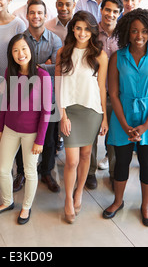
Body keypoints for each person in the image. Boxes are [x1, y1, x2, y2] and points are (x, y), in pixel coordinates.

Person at [103, 8, 148, 227]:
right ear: (126, 33)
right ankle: (118, 201)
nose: (139, 36)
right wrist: (125, 124)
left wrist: (145, 125)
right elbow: (113, 93)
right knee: (121, 162)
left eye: (143, 31)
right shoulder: (117, 57)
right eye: (134, 31)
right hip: (124, 114)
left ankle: (144, 206)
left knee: (147, 163)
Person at [0, 34, 52, 224]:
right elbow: (6, 103)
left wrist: (40, 140)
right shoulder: (10, 71)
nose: (20, 54)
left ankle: (26, 207)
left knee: (30, 170)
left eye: (24, 49)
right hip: (10, 129)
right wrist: (0, 128)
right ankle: (7, 202)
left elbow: (46, 111)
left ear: (31, 51)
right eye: (15, 50)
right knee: (3, 169)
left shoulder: (43, 75)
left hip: (32, 133)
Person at [55, 11, 108, 223]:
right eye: (78, 28)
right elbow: (58, 87)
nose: (82, 33)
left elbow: (101, 87)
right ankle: (68, 199)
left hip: (92, 111)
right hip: (70, 112)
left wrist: (104, 117)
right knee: (71, 160)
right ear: (72, 29)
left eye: (87, 29)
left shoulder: (99, 55)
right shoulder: (63, 53)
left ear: (93, 31)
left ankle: (79, 193)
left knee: (86, 155)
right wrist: (63, 115)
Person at [13, 0, 62, 193]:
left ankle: (47, 172)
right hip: (23, 96)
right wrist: (44, 64)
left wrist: (36, 66)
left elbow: (58, 67)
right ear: (27, 15)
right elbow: (18, 64)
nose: (36, 16)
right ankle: (22, 173)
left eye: (39, 13)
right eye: (32, 13)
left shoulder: (55, 39)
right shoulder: (20, 39)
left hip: (48, 96)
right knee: (21, 137)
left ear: (45, 15)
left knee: (49, 138)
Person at [0, 0, 26, 178]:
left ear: (9, 0)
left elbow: (23, 52)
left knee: (10, 120)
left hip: (12, 79)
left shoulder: (19, 24)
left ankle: (11, 162)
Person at [87, 0, 123, 189]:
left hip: (115, 94)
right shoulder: (92, 32)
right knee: (91, 135)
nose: (110, 14)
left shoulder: (124, 35)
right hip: (93, 93)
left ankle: (114, 173)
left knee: (114, 137)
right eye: (107, 10)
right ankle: (90, 172)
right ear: (101, 9)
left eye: (115, 11)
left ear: (120, 13)